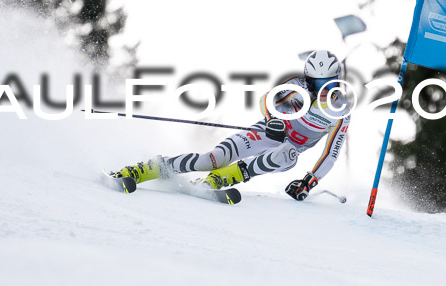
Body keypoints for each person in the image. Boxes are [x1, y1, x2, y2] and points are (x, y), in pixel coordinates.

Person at [109, 50, 351, 201]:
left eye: (329, 83)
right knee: (209, 160)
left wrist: (309, 182)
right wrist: (272, 119)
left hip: (283, 153)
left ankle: (219, 180)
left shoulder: (340, 112)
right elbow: (266, 100)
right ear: (309, 79)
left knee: (288, 154)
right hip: (264, 134)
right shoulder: (298, 87)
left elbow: (331, 154)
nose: (323, 89)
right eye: (317, 83)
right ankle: (141, 170)